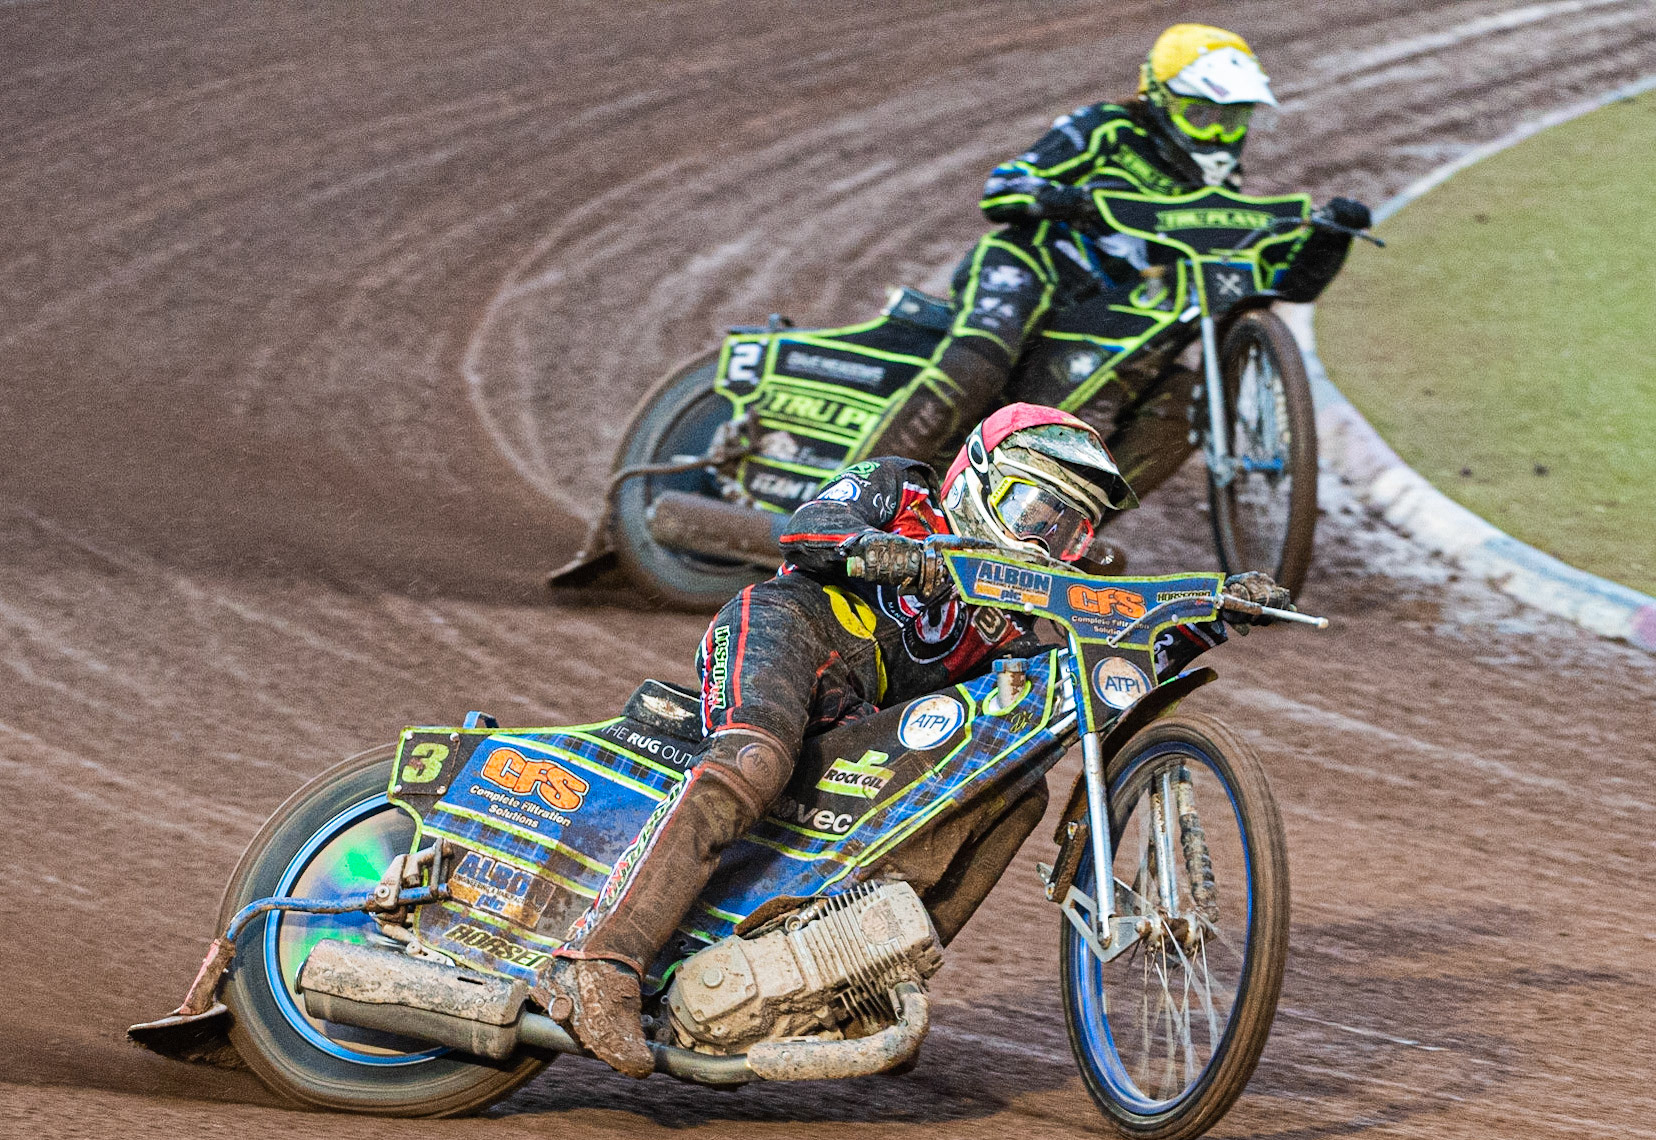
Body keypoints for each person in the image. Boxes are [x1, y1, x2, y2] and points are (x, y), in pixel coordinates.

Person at [533, 404, 1291, 1075]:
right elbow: (808, 527)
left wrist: (1207, 614)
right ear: (979, 479)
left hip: (868, 719)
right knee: (754, 758)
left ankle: (867, 980)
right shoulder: (904, 489)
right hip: (791, 630)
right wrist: (890, 550)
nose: (1045, 538)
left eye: (1068, 528)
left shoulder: (1015, 620)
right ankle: (597, 961)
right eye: (1033, 509)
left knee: (1013, 785)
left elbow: (1105, 662)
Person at [859, 22, 1373, 464]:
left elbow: (1267, 281)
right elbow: (1004, 187)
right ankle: (849, 501)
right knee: (979, 360)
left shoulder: (1221, 190)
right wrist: (1066, 200)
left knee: (1178, 407)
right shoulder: (1107, 128)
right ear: (1161, 100)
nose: (1217, 134)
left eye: (1233, 119)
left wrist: (1327, 239)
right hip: (1034, 265)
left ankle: (1061, 538)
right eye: (1202, 115)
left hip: (1114, 311)